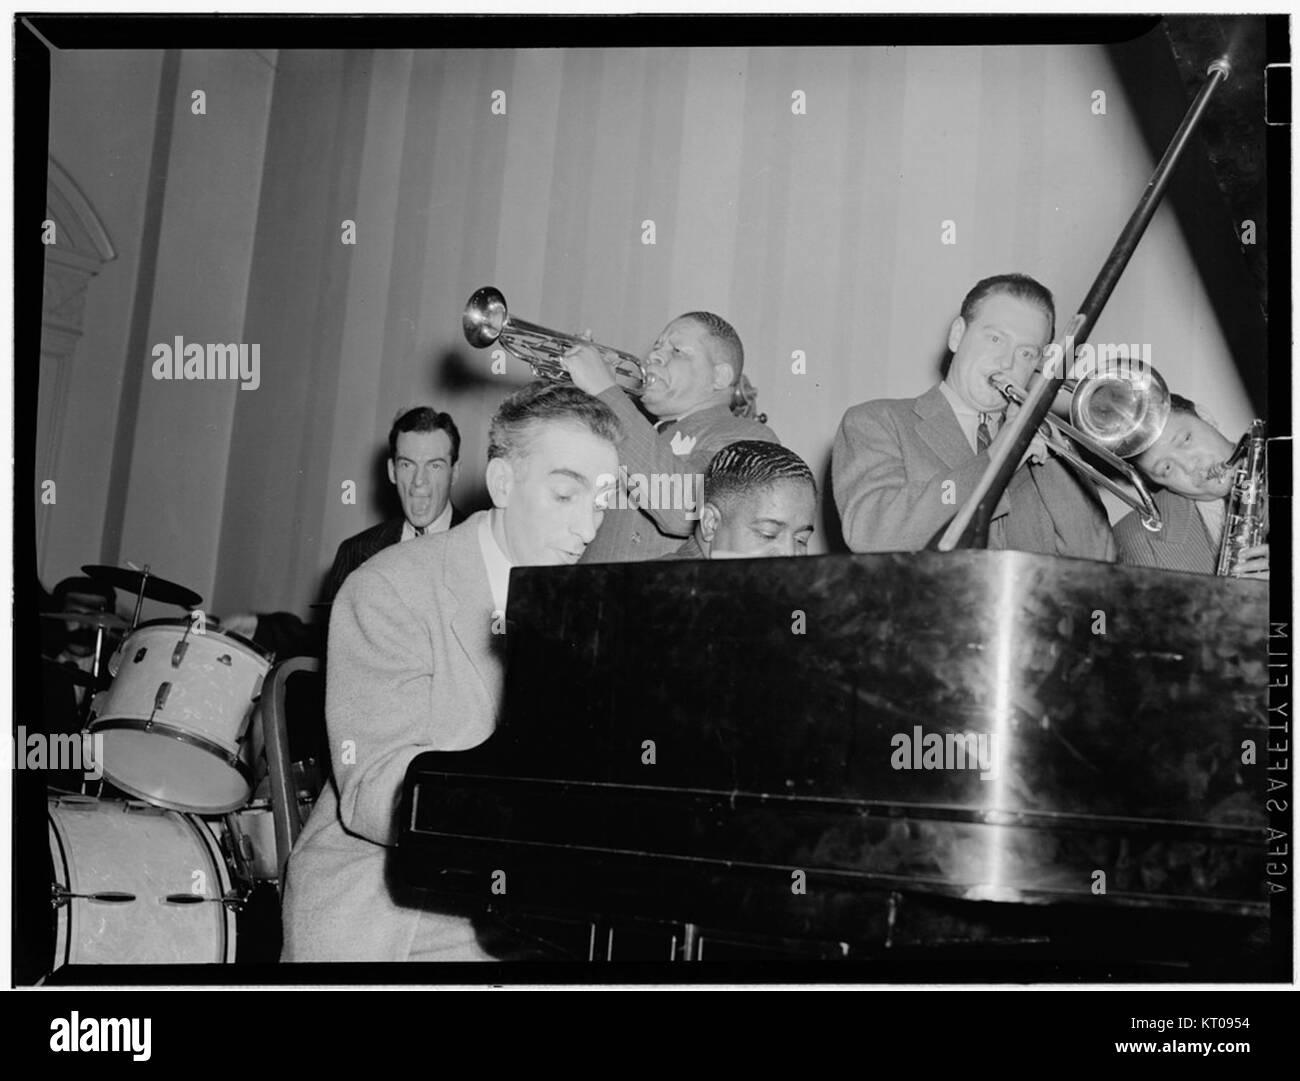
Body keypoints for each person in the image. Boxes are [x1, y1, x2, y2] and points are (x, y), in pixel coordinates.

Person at [280, 382, 621, 962]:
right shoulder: (389, 587)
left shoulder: (586, 611)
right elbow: (372, 789)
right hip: (392, 910)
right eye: (566, 496)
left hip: (523, 908)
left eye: (602, 502)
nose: (588, 529)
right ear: (503, 484)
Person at [831, 273, 1115, 559]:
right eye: (995, 338)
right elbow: (872, 534)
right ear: (957, 335)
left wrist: (1055, 457)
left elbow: (1100, 554)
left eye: (1027, 353)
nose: (1007, 362)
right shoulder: (876, 421)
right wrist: (996, 457)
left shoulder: (1046, 447)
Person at [224, 407, 465, 657]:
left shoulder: (481, 550)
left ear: (454, 472)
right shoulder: (356, 551)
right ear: (392, 471)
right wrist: (264, 630)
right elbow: (328, 643)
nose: (419, 481)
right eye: (407, 464)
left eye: (435, 466)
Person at [562, 311, 778, 562]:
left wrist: (606, 392)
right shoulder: (625, 427)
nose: (653, 356)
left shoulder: (748, 436)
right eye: (657, 346)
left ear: (719, 377)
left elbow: (686, 508)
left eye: (677, 351)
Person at [1115, 394, 1268, 578]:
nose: (1190, 466)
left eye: (1185, 440)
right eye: (1167, 468)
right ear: (1153, 481)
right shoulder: (1138, 542)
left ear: (1205, 417)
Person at [667, 440, 817, 560]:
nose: (790, 554)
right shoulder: (655, 592)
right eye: (768, 534)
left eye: (801, 540)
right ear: (710, 524)